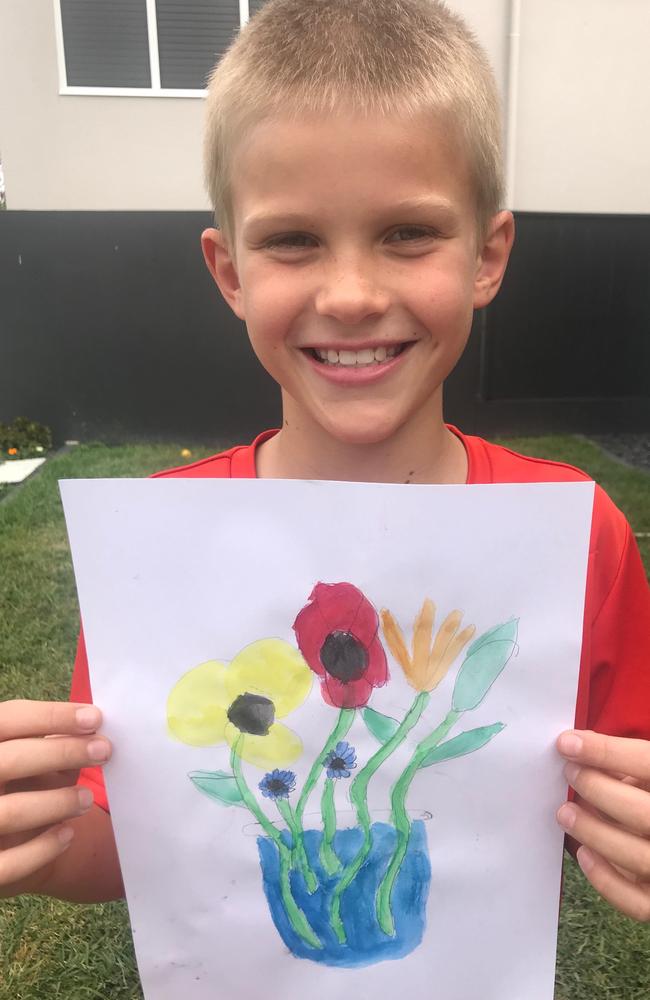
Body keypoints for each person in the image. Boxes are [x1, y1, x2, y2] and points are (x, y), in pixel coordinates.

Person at [1, 0, 649, 930]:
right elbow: (135, 847)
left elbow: (611, 796)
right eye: (293, 240)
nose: (350, 296)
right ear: (229, 273)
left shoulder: (579, 532)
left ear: (487, 255)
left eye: (408, 233)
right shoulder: (153, 548)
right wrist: (42, 843)